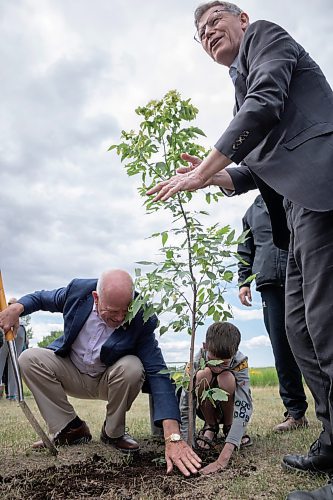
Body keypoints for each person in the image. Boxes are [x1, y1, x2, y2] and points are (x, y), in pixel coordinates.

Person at [147, 1, 333, 496]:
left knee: (326, 325)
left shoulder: (268, 40)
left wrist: (203, 169)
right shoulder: (237, 89)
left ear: (243, 21)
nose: (208, 34)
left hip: (322, 190)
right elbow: (254, 169)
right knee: (299, 330)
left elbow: (266, 104)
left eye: (214, 23)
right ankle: (331, 435)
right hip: (292, 216)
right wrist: (212, 177)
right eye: (200, 33)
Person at [0, 269, 202, 477]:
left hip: (110, 379)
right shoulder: (78, 292)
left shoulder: (141, 316)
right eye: (113, 311)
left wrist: (172, 436)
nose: (120, 317)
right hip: (71, 371)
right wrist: (17, 308)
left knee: (133, 366)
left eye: (126, 310)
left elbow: (158, 373)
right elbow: (42, 298)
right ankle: (70, 429)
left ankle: (113, 433)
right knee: (29, 358)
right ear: (96, 298)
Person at [238, 194, 308, 432]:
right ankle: (296, 413)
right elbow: (245, 249)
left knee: (315, 343)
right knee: (281, 348)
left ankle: (327, 409)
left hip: (303, 279)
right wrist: (243, 282)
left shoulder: (297, 195)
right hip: (269, 284)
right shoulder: (252, 212)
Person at [180, 321, 252, 474]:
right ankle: (210, 426)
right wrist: (187, 443)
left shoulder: (240, 362)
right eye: (214, 361)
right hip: (205, 408)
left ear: (234, 353)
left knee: (226, 377)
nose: (218, 367)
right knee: (203, 374)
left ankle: (229, 427)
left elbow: (244, 405)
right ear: (205, 346)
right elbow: (186, 402)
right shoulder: (196, 359)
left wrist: (223, 458)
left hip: (230, 408)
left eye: (224, 363)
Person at [0, 297, 27, 400]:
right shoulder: (8, 311)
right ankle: (12, 395)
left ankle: (13, 395)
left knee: (13, 363)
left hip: (16, 329)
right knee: (10, 362)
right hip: (11, 328)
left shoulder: (7, 311)